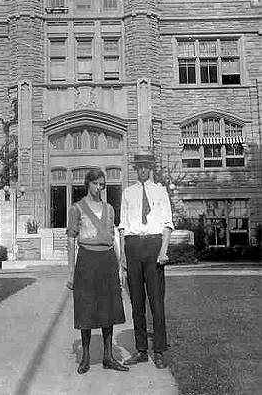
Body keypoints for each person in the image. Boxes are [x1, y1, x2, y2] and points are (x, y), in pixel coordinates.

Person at [66, 168, 129, 374]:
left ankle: (108, 356)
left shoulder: (110, 208)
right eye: (95, 184)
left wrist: (120, 266)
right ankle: (85, 357)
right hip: (86, 259)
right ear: (88, 184)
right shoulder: (76, 208)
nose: (99, 188)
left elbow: (115, 238)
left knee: (108, 307)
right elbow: (70, 240)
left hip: (107, 259)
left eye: (102, 185)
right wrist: (71, 273)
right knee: (86, 307)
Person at [119, 152, 174, 369]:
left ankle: (159, 350)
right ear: (135, 169)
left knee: (157, 303)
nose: (142, 170)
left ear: (151, 168)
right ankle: (141, 350)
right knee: (137, 303)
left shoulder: (160, 192)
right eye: (139, 167)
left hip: (154, 246)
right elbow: (122, 226)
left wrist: (163, 251)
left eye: (146, 166)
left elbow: (167, 224)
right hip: (133, 246)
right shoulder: (127, 193)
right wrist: (123, 254)